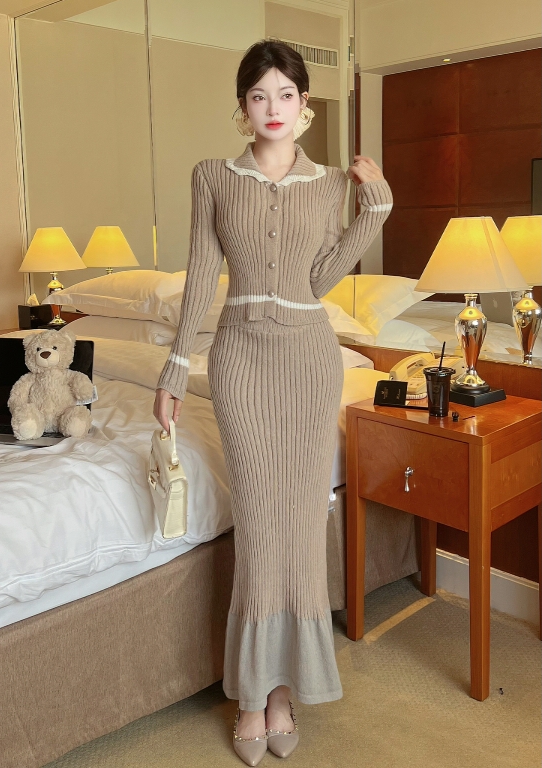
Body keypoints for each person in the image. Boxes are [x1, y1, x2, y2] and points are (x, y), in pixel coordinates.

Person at [153, 39, 393, 766]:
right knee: (260, 523)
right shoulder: (213, 177)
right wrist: (172, 370)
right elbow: (201, 274)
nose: (273, 108)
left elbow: (318, 280)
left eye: (286, 94)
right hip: (241, 362)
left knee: (301, 521)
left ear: (305, 104)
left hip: (310, 363)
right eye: (259, 95)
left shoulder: (328, 185)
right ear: (243, 107)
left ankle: (287, 689)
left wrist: (376, 208)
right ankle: (253, 694)